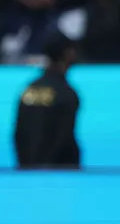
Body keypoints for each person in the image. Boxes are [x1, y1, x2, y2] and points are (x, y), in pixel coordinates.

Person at [14, 34, 80, 168]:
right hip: (58, 173)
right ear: (66, 54)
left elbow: (18, 133)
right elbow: (63, 137)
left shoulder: (30, 89)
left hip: (28, 167)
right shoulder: (66, 94)